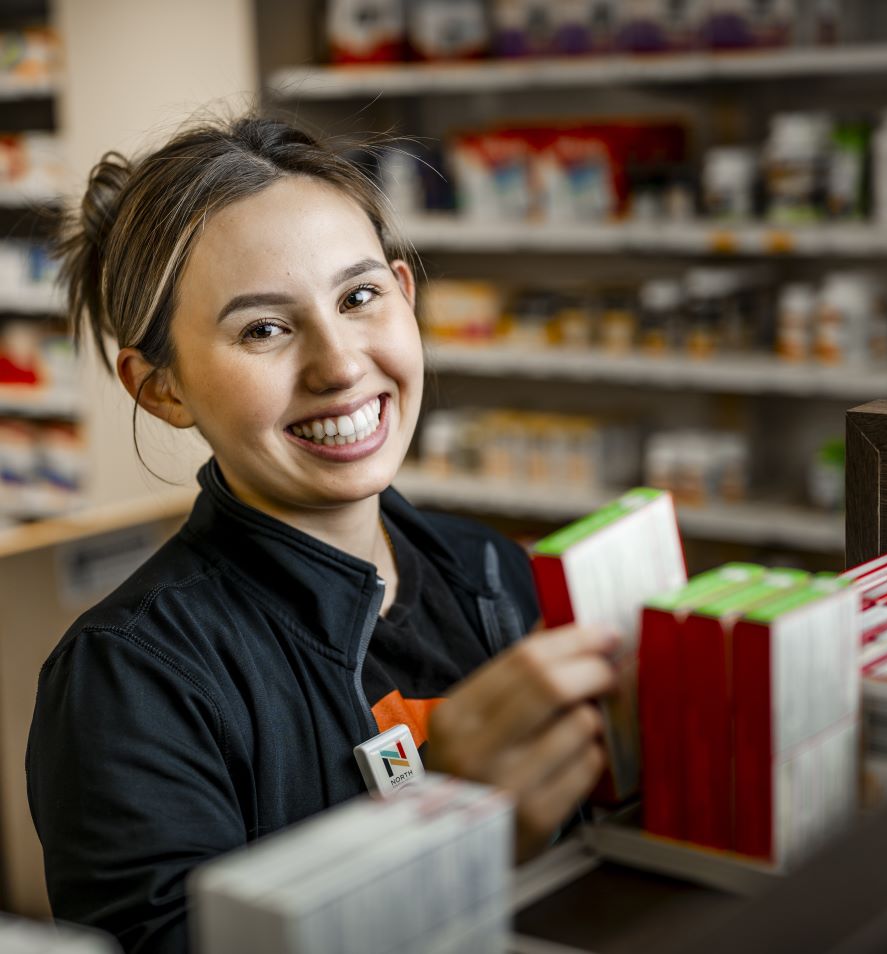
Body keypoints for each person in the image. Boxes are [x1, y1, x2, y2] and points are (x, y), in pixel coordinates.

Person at [26, 116, 619, 954]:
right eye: (263, 329)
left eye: (358, 297)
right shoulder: (130, 679)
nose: (339, 365)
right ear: (162, 389)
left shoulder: (492, 568)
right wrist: (433, 823)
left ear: (406, 299)